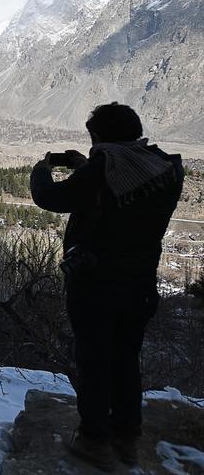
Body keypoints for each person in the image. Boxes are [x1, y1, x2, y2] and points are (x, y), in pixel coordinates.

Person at [30, 102, 184, 472]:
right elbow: (121, 192)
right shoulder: (165, 168)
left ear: (98, 138)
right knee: (126, 359)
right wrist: (87, 164)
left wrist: (42, 168)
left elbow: (50, 197)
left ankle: (94, 439)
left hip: (96, 286)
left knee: (94, 360)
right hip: (142, 284)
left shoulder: (101, 172)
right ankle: (127, 437)